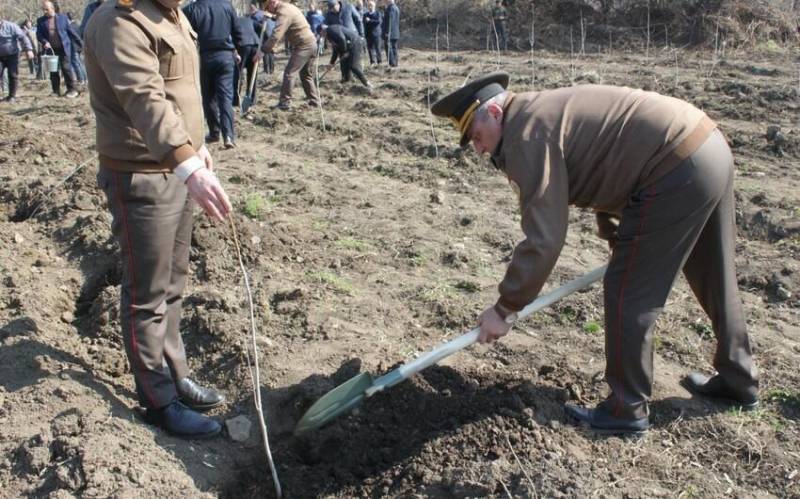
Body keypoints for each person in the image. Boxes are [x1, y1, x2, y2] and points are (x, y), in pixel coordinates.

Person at [430, 72, 759, 434]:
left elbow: (544, 240)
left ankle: (625, 409)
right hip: (706, 146)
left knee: (628, 291)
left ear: (494, 112)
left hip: (671, 169)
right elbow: (606, 162)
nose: (478, 149)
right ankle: (738, 378)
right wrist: (615, 234)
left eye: (476, 137)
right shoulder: (540, 111)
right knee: (715, 275)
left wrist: (505, 307)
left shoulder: (527, 135)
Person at [84, 0, 233, 439]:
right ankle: (158, 401)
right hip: (141, 175)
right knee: (146, 292)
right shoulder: (118, 20)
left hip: (176, 166)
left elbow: (182, 90)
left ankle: (175, 374)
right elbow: (144, 98)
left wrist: (198, 147)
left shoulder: (171, 13)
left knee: (173, 283)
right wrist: (188, 165)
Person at [183, 0, 243, 149]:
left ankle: (214, 132)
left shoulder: (191, 9)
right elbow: (237, 32)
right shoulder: (227, 6)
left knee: (208, 96)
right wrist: (238, 51)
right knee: (225, 97)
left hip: (205, 57)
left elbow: (183, 33)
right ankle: (228, 135)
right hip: (226, 56)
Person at [257, 0, 320, 111]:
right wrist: (271, 18)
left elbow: (276, 35)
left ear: (272, 3)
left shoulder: (283, 11)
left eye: (267, 8)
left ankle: (284, 103)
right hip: (311, 43)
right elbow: (284, 20)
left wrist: (263, 50)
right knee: (306, 75)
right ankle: (314, 101)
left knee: (289, 73)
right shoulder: (288, 7)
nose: (268, 11)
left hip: (303, 45)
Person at [36, 0, 80, 98]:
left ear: (53, 8)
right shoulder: (40, 21)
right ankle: (56, 91)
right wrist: (44, 42)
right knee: (53, 71)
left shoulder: (63, 18)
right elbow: (39, 35)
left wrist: (81, 44)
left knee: (66, 68)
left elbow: (71, 32)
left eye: (46, 9)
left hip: (64, 48)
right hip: (51, 49)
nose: (45, 12)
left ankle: (72, 90)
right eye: (43, 10)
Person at [320, 23, 371, 89]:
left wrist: (345, 52)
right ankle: (346, 82)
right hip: (348, 46)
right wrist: (331, 63)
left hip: (355, 43)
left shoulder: (331, 29)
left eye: (320, 33)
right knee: (343, 64)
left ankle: (367, 83)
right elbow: (335, 50)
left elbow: (342, 38)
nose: (321, 36)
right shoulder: (330, 36)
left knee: (353, 66)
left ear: (322, 30)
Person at [0, 17, 35, 103]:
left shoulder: (11, 26)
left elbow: (23, 37)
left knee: (12, 74)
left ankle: (12, 96)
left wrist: (29, 50)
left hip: (12, 54)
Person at [234, 11, 260, 107]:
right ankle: (252, 99)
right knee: (252, 73)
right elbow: (263, 29)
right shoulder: (250, 20)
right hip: (255, 45)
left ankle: (235, 98)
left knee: (237, 73)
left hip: (242, 45)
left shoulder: (233, 21)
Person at [66, 12, 87, 85]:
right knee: (80, 63)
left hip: (74, 47)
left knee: (76, 64)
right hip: (79, 47)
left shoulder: (70, 26)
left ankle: (81, 79)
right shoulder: (78, 25)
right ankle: (85, 79)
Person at [363, 0, 381, 65]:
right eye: (369, 6)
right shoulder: (365, 14)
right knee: (370, 49)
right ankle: (372, 62)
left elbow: (378, 22)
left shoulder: (377, 13)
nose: (370, 7)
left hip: (376, 34)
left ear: (374, 6)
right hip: (368, 34)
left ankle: (379, 61)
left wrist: (370, 20)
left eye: (371, 6)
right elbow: (364, 24)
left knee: (377, 48)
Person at [384, 0, 399, 67]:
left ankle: (392, 63)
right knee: (394, 48)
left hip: (391, 33)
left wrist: (387, 32)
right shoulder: (395, 7)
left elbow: (390, 21)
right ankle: (395, 63)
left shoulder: (391, 8)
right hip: (395, 32)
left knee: (390, 48)